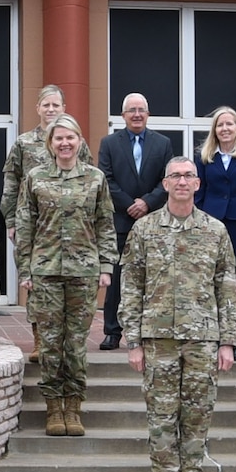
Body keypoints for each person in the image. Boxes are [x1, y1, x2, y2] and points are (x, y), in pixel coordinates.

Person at [122, 156, 236, 472]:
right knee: (160, 419)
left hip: (203, 339)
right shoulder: (145, 230)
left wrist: (227, 341)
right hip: (158, 339)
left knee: (196, 419)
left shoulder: (215, 231)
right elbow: (132, 286)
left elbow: (226, 288)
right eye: (176, 176)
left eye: (189, 175)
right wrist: (133, 341)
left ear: (198, 184)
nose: (183, 181)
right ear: (166, 183)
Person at [14, 115, 117, 437]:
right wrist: (25, 268)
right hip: (45, 271)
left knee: (74, 344)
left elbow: (105, 223)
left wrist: (105, 266)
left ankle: (73, 407)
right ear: (51, 143)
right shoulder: (35, 177)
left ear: (79, 140)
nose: (65, 143)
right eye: (58, 138)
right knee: (49, 344)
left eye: (70, 137)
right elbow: (25, 224)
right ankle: (53, 408)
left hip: (83, 272)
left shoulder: (95, 179)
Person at [97, 93, 170, 351]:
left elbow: (166, 180)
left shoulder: (163, 144)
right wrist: (130, 203)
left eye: (141, 110)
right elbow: (105, 178)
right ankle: (112, 332)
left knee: (152, 279)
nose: (136, 114)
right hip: (120, 220)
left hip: (153, 222)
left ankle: (149, 331)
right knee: (116, 280)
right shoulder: (109, 143)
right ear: (123, 115)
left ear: (148, 114)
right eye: (131, 110)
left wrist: (147, 203)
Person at [0, 83, 94, 227]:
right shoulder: (23, 142)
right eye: (46, 105)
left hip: (71, 218)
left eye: (55, 105)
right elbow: (11, 183)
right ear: (38, 109)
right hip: (31, 218)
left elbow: (89, 178)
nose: (51, 109)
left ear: (63, 108)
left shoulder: (75, 142)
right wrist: (11, 221)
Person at [193, 106, 236, 257]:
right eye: (220, 125)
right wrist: (200, 217)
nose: (225, 128)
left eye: (229, 124)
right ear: (215, 130)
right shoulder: (203, 155)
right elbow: (199, 191)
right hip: (211, 218)